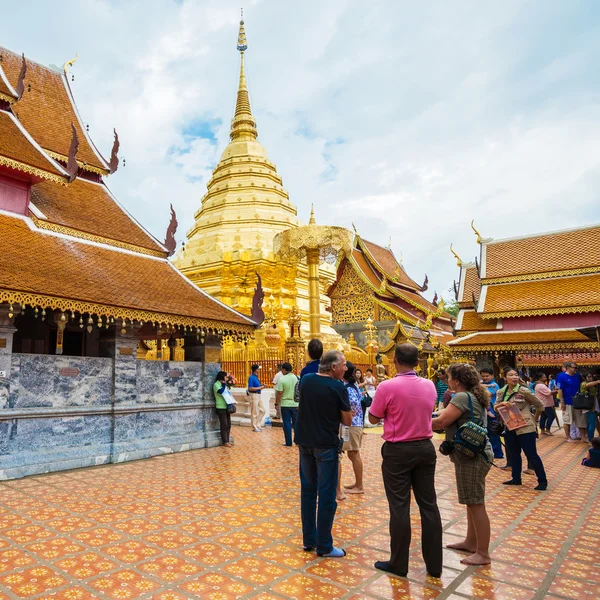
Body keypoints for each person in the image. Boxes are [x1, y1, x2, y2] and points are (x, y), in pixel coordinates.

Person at [369, 344, 443, 578]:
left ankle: (399, 563)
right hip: (425, 448)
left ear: (393, 360)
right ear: (418, 362)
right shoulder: (430, 385)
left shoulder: (387, 386)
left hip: (397, 451)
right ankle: (435, 566)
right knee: (429, 505)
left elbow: (372, 418)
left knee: (399, 506)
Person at [432, 363, 493, 566]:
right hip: (476, 454)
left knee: (476, 503)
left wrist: (412, 418)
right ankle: (471, 541)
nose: (446, 380)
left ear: (457, 381)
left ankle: (483, 553)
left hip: (472, 457)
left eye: (448, 377)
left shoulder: (461, 396)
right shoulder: (473, 395)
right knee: (471, 500)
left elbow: (441, 421)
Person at [295, 350, 351, 558]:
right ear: (334, 367)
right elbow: (347, 420)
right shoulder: (338, 387)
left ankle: (309, 540)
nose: (346, 368)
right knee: (326, 495)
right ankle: (324, 546)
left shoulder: (307, 380)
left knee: (308, 491)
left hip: (304, 441)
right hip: (325, 445)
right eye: (343, 365)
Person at [495, 368, 547, 490]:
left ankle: (542, 481)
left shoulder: (524, 391)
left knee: (531, 454)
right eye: (511, 375)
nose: (514, 377)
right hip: (509, 426)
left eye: (516, 375)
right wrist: (502, 404)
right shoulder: (501, 392)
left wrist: (533, 419)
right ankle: (516, 478)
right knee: (514, 454)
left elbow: (540, 406)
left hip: (525, 427)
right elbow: (495, 407)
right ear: (505, 378)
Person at [341, 362, 365, 495]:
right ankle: (357, 483)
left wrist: (348, 410)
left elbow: (355, 402)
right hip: (352, 424)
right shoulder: (351, 385)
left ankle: (360, 486)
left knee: (354, 454)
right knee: (353, 453)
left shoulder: (348, 388)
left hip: (352, 425)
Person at [556, 362, 582, 442]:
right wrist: (562, 401)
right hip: (567, 402)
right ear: (568, 368)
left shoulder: (577, 376)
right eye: (574, 367)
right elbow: (560, 390)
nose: (575, 369)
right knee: (567, 420)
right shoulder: (561, 376)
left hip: (577, 401)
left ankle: (581, 436)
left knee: (579, 419)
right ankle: (568, 437)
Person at [480, 368, 503, 460]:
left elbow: (487, 394)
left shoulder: (494, 385)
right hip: (484, 412)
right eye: (483, 376)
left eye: (487, 376)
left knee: (493, 434)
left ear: (492, 376)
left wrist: (479, 386)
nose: (485, 378)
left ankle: (497, 453)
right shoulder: (483, 384)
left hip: (493, 413)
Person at [275, 362, 299, 447]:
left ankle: (288, 442)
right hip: (296, 404)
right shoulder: (297, 378)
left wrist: (276, 403)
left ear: (284, 370)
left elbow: (279, 393)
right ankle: (297, 441)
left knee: (287, 423)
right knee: (296, 423)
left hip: (285, 404)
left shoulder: (282, 379)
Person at [213, 371, 233, 447]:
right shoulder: (216, 384)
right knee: (224, 424)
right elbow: (221, 391)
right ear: (222, 377)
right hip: (220, 407)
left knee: (228, 424)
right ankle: (224, 441)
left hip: (227, 406)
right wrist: (224, 385)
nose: (226, 378)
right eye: (225, 376)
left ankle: (227, 440)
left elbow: (227, 393)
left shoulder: (224, 384)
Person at [580, 373, 600, 442]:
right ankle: (591, 440)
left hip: (593, 406)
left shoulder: (592, 384)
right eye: (589, 377)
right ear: (585, 377)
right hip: (588, 407)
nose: (591, 378)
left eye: (591, 376)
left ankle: (590, 438)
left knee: (590, 423)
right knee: (592, 424)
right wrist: (597, 381)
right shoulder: (583, 383)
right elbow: (587, 385)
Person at [248, 364, 266, 432]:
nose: (259, 370)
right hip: (254, 395)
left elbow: (256, 386)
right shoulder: (251, 377)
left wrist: (262, 386)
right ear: (255, 369)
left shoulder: (256, 377)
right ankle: (254, 427)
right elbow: (250, 388)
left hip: (258, 395)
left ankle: (258, 424)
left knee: (263, 410)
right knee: (254, 412)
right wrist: (260, 388)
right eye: (258, 369)